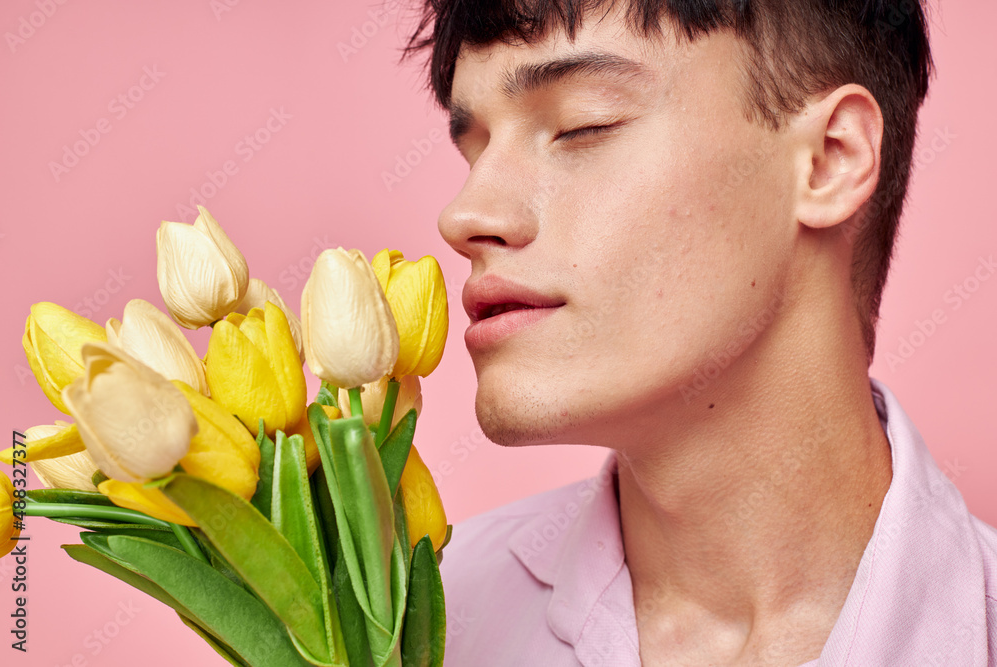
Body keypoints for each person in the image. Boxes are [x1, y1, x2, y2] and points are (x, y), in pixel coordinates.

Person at [400, 1, 997, 664]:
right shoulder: (407, 625)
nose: (464, 216)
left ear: (831, 158)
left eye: (580, 126)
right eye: (476, 149)